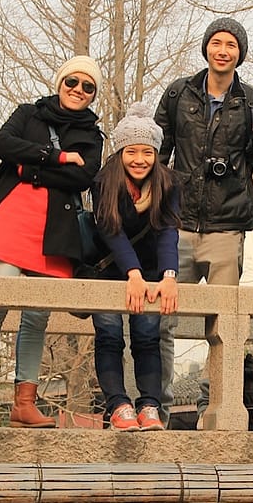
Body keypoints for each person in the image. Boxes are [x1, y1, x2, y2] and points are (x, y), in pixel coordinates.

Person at [0, 55, 103, 428]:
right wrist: (58, 157)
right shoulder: (28, 114)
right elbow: (4, 144)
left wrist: (31, 170)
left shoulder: (92, 136)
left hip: (57, 230)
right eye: (72, 82)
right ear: (60, 82)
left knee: (36, 317)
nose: (78, 90)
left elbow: (84, 177)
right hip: (10, 218)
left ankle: (24, 403)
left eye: (87, 86)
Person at [155, 17, 253, 426]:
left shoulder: (252, 104)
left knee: (224, 324)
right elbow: (158, 153)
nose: (223, 51)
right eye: (216, 43)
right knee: (161, 318)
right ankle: (156, 405)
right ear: (206, 48)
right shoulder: (178, 93)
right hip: (178, 223)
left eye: (231, 45)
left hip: (228, 225)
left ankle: (213, 409)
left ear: (240, 53)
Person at [88, 102, 180, 432]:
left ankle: (150, 405)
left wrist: (169, 276)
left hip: (152, 272)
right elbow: (110, 231)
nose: (139, 159)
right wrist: (133, 274)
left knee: (147, 338)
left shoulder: (168, 183)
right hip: (110, 270)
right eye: (132, 151)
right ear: (121, 152)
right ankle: (118, 404)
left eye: (147, 152)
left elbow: (168, 231)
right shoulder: (104, 181)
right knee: (109, 336)